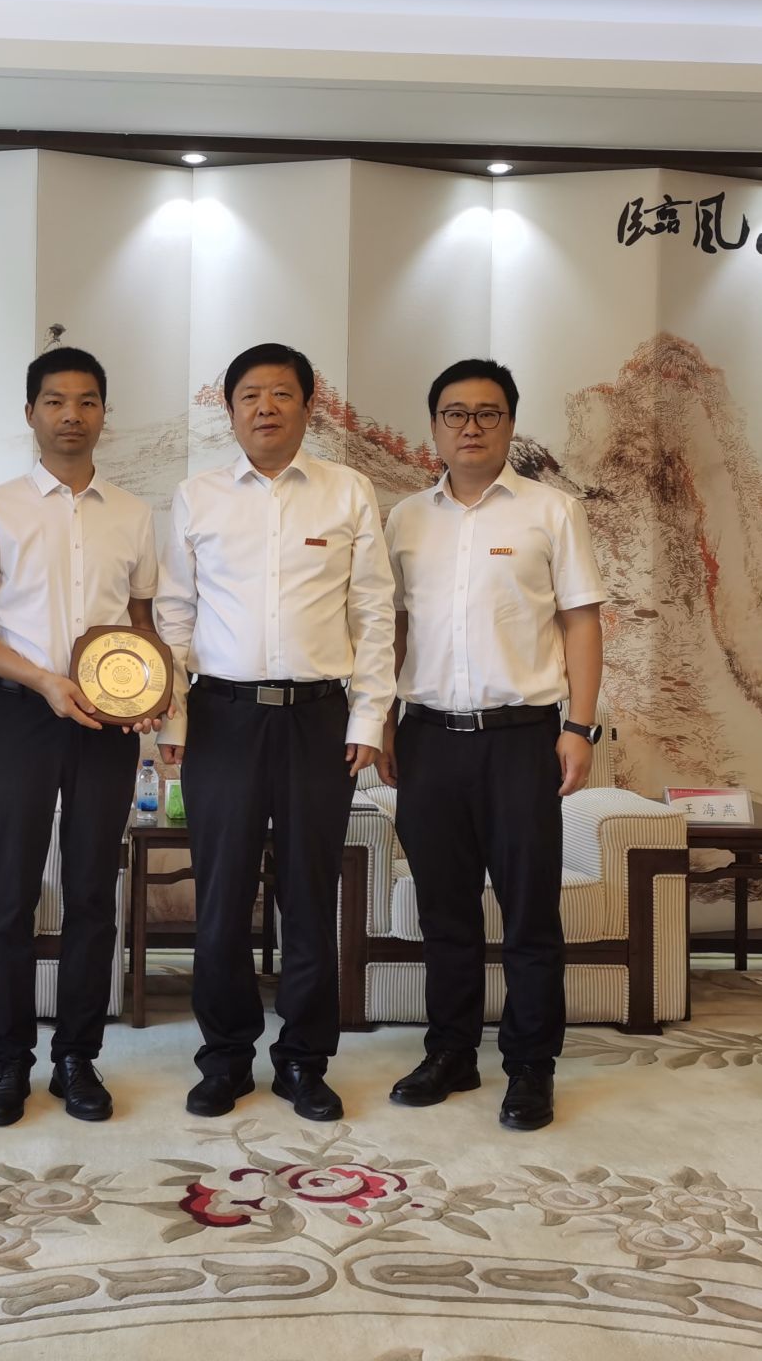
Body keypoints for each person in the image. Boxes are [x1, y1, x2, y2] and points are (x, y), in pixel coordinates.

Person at [155, 343, 395, 1122]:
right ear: (229, 411)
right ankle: (225, 1058)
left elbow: (373, 613)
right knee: (221, 899)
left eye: (281, 393)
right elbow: (175, 615)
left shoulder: (347, 492)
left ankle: (303, 1061)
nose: (265, 407)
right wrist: (174, 719)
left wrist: (368, 716)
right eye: (250, 395)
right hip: (221, 718)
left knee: (308, 896)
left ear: (307, 407)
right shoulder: (196, 497)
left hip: (318, 719)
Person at [378, 358, 606, 1131]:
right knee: (444, 912)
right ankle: (450, 1053)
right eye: (455, 413)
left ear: (509, 423)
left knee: (529, 914)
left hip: (522, 741)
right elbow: (394, 627)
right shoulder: (407, 519)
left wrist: (578, 727)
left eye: (487, 413)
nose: (470, 427)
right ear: (434, 427)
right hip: (428, 739)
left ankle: (531, 1067)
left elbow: (581, 622)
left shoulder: (552, 512)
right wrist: (383, 721)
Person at [0, 347, 164, 1126]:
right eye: (55, 401)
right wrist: (42, 680)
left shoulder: (134, 514)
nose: (71, 415)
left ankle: (77, 1058)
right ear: (31, 413)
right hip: (20, 715)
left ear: (104, 412)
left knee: (92, 893)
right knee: (9, 893)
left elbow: (143, 628)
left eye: (87, 401)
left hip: (105, 725)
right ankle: (8, 1061)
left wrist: (150, 696)